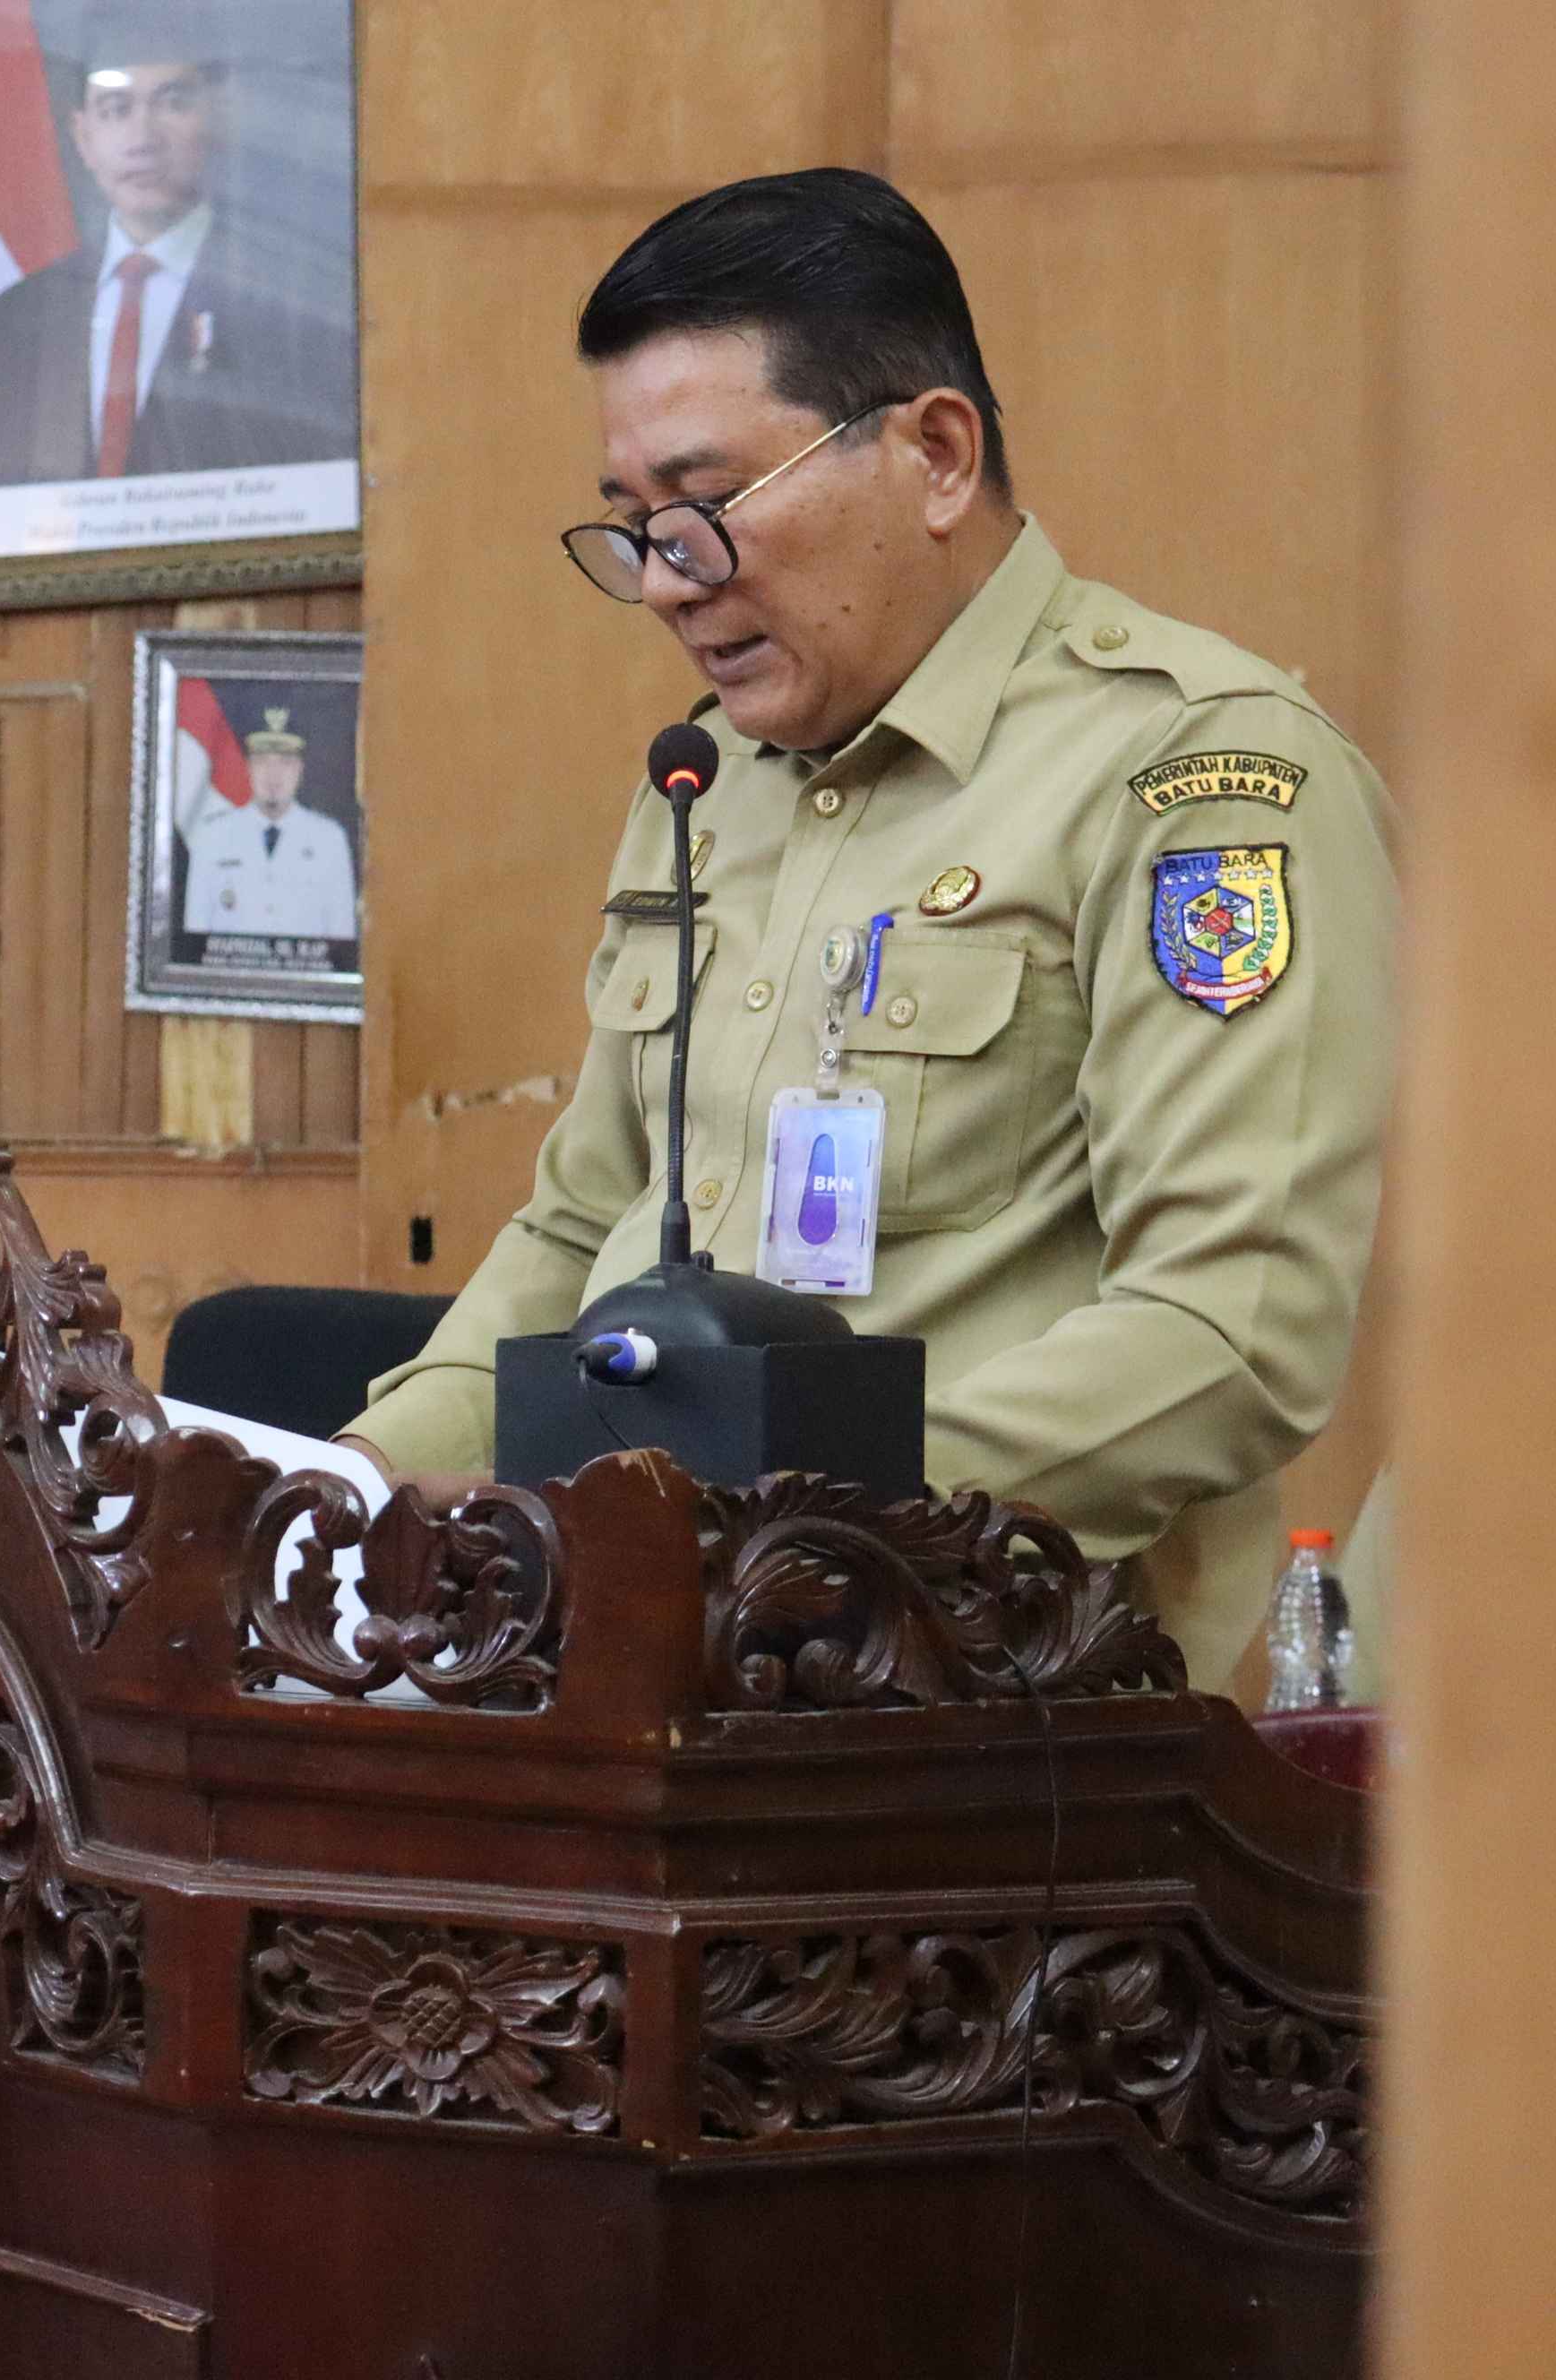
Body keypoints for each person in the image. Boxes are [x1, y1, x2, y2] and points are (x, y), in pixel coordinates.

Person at [340, 168, 1396, 1685]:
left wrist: (771, 1534)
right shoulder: (707, 780)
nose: (659, 582)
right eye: (628, 526)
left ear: (934, 454)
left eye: (701, 509)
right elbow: (582, 1230)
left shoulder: (1194, 777)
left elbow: (1224, 1332)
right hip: (649, 1677)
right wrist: (346, 1488)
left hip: (1011, 1730)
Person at [0, 1, 354, 487]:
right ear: (83, 137)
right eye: (115, 109)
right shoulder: (20, 314)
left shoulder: (290, 305)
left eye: (173, 102)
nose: (142, 139)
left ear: (218, 119)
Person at [183, 707, 357, 943]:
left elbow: (342, 937)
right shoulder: (212, 837)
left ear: (299, 770)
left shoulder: (330, 840)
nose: (273, 776)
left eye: (285, 762)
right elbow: (196, 934)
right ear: (248, 768)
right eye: (262, 762)